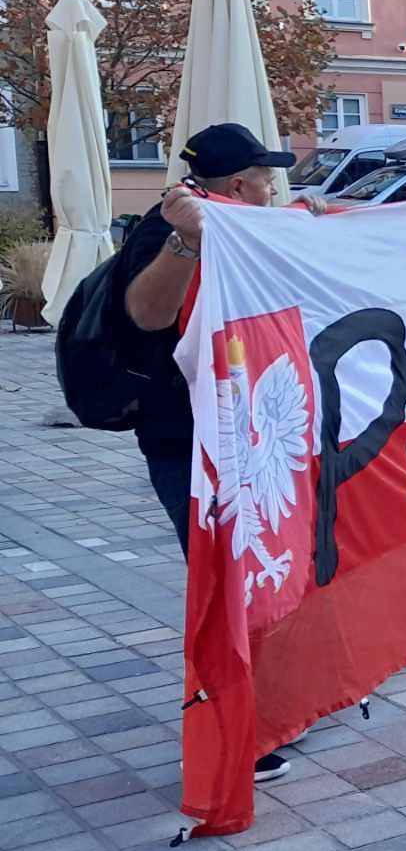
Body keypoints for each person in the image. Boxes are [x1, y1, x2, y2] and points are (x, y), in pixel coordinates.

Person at [114, 123, 305, 785]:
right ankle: (235, 733)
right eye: (267, 177)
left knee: (260, 576)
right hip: (188, 446)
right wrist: (185, 241)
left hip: (251, 437)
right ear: (238, 185)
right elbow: (143, 315)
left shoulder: (251, 230)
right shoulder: (166, 234)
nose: (274, 188)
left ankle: (266, 708)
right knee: (224, 585)